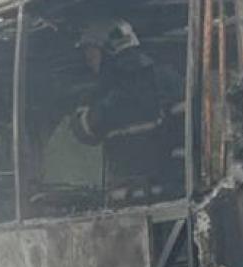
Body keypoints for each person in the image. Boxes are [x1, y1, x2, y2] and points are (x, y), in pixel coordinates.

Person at [72, 18, 184, 201]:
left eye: (91, 56)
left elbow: (84, 131)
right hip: (166, 197)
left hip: (141, 200)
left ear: (109, 51)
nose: (89, 63)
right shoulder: (166, 78)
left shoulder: (105, 94)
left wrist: (92, 101)